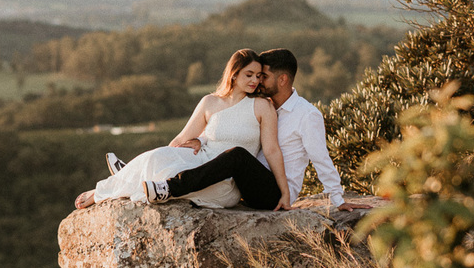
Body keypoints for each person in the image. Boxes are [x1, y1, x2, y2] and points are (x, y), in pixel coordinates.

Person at [143, 48, 370, 211]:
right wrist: (202, 140)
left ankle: (171, 188)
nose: (258, 81)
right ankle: (147, 173)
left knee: (238, 155)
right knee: (224, 154)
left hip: (273, 193)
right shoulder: (267, 107)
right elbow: (236, 131)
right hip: (245, 184)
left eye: (264, 76)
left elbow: (321, 158)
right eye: (255, 76)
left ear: (282, 79)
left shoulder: (306, 115)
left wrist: (338, 200)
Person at [73, 49, 290, 210]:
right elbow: (181, 138)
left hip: (227, 181)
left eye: (259, 76)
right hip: (200, 164)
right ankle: (127, 175)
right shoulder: (210, 102)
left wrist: (285, 192)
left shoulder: (262, 106)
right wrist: (169, 154)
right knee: (158, 158)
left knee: (235, 154)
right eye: (249, 74)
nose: (255, 80)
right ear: (234, 74)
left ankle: (161, 186)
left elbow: (271, 150)